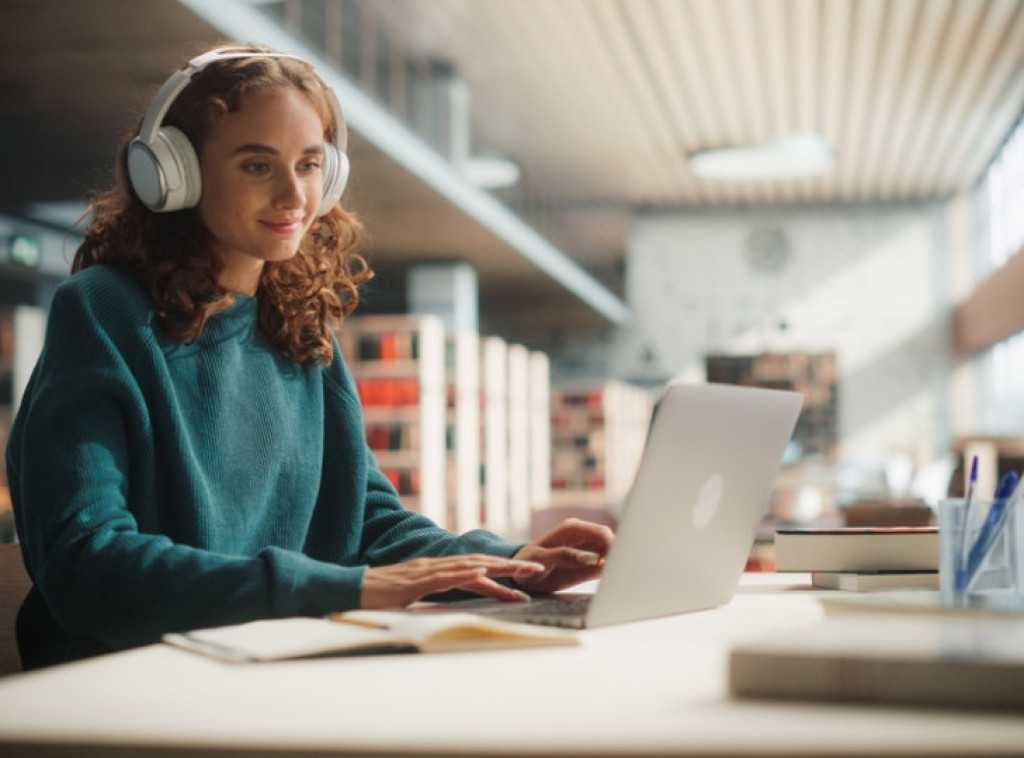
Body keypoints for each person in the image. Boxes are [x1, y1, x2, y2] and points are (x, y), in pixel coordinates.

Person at [5, 43, 613, 670]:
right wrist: (339, 589)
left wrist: (510, 564)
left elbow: (368, 523)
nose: (294, 195)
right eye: (256, 166)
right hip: (129, 682)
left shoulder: (297, 327)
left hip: (265, 665)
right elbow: (87, 559)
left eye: (309, 165)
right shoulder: (103, 311)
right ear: (174, 173)